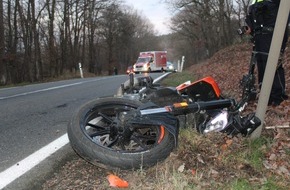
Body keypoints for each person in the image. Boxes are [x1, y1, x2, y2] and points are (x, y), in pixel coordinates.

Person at [245, 0, 288, 106]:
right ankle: (266, 96)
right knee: (262, 65)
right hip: (259, 36)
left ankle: (278, 97)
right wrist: (249, 26)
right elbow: (251, 15)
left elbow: (284, 12)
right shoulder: (254, 1)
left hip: (273, 34)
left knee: (274, 64)